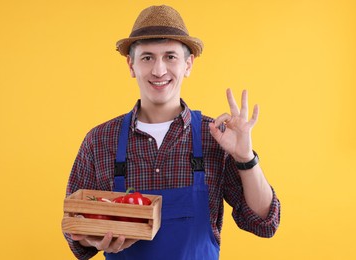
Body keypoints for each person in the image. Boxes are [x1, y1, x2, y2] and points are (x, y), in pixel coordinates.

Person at [63, 5, 280, 260]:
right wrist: (92, 238)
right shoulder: (99, 141)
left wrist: (245, 157)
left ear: (188, 64)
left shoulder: (216, 137)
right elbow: (75, 233)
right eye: (147, 57)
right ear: (131, 65)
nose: (158, 70)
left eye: (170, 56)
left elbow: (264, 223)